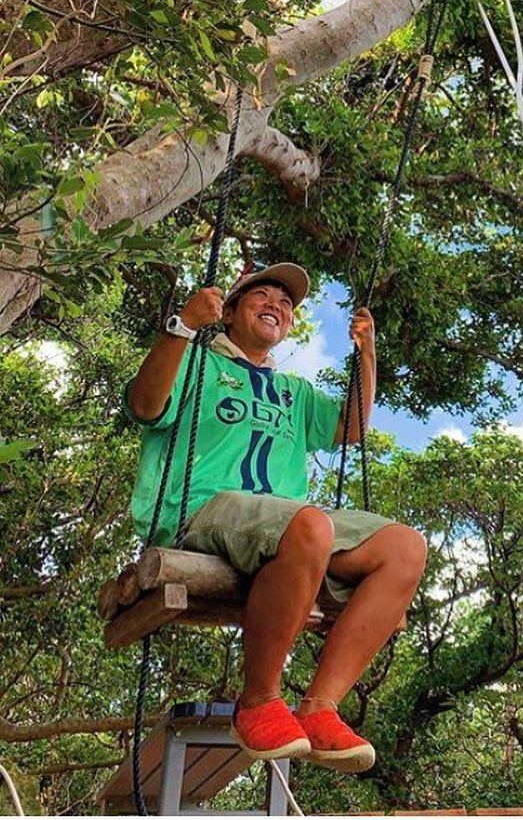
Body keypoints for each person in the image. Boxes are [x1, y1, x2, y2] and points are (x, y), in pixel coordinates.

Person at [126, 262, 427, 769]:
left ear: (289, 327)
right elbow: (146, 403)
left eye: (286, 304)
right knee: (309, 523)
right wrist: (181, 327)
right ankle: (259, 701)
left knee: (405, 547)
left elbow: (350, 427)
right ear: (230, 312)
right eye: (261, 295)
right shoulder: (198, 363)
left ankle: (320, 707)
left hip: (287, 523)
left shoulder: (293, 392)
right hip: (202, 511)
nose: (276, 306)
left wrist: (367, 355)